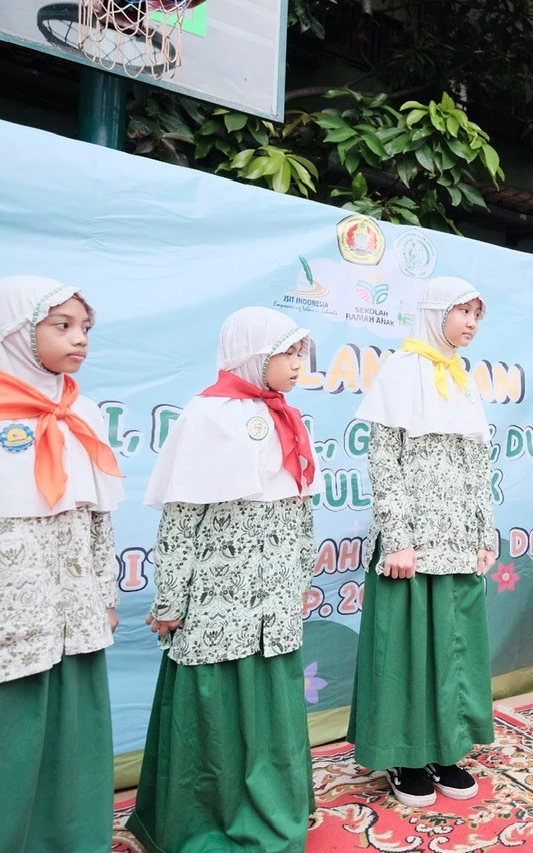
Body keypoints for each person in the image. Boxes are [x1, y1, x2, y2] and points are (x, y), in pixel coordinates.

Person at [126, 307, 320, 853]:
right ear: (254, 355)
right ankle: (204, 820)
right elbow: (182, 520)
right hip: (216, 607)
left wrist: (298, 575)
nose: (297, 364)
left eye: (301, 353)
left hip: (275, 605)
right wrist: (172, 599)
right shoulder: (206, 416)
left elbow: (301, 510)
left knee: (271, 709)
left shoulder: (291, 418)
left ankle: (276, 806)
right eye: (288, 353)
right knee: (215, 712)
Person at [0, 275, 125, 853]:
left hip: (74, 617)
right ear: (11, 331)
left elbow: (97, 517)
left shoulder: (80, 411)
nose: (80, 339)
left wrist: (104, 596)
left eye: (85, 327)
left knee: (73, 745)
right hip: (3, 627)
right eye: (62, 325)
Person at [348, 276, 498, 808]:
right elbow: (384, 463)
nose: (472, 324)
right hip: (412, 546)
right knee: (409, 652)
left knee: (452, 651)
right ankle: (405, 755)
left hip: (459, 543)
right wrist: (399, 540)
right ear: (436, 312)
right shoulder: (402, 371)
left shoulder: (462, 379)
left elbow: (479, 465)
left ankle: (446, 748)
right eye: (464, 312)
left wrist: (485, 533)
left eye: (478, 315)